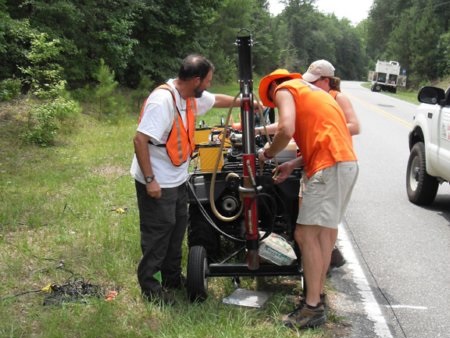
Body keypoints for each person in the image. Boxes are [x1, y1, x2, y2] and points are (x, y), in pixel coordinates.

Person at [130, 54, 240, 304]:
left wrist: (246, 101)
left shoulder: (190, 97)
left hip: (178, 178)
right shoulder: (163, 100)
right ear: (196, 79)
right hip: (157, 180)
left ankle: (171, 278)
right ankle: (151, 287)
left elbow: (216, 101)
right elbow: (140, 140)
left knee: (177, 229)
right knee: (158, 234)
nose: (210, 86)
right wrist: (150, 180)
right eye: (209, 81)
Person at [257, 69, 358, 329]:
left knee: (305, 235)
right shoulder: (313, 92)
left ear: (272, 88)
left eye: (273, 101)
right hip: (343, 163)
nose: (276, 104)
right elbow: (327, 136)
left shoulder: (284, 90)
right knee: (324, 236)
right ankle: (316, 295)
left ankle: (311, 309)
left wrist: (267, 153)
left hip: (329, 167)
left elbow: (286, 128)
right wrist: (293, 163)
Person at [302, 59, 361, 270]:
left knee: (327, 220)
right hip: (318, 160)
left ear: (327, 81)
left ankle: (327, 255)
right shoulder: (316, 98)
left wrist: (326, 127)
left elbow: (355, 126)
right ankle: (323, 255)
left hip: (335, 159)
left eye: (315, 81)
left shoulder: (338, 97)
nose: (311, 85)